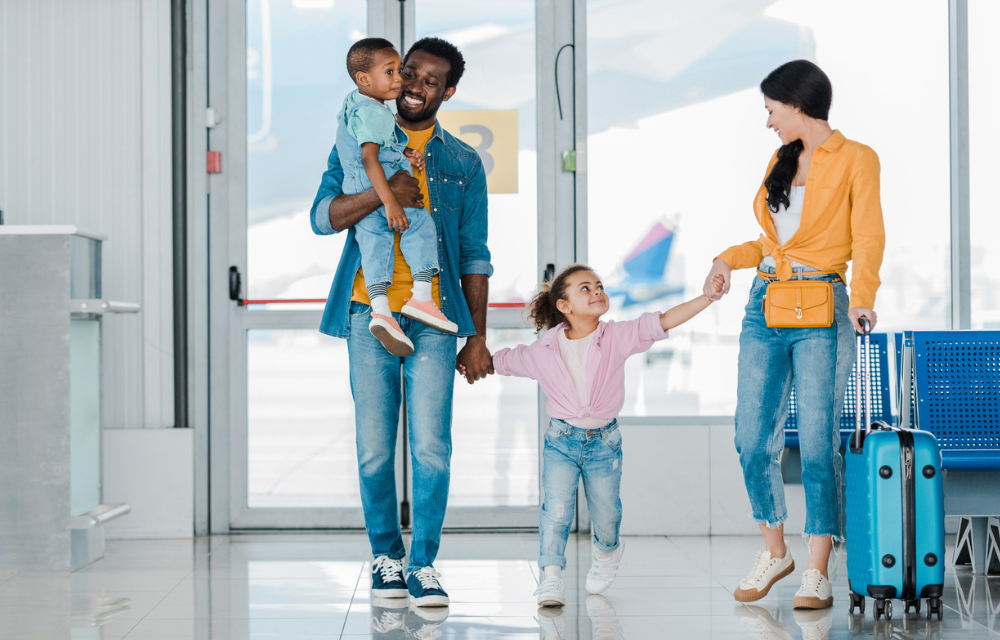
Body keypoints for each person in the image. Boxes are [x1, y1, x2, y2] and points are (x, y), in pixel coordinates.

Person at [310, 37, 494, 608]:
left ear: (449, 91)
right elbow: (323, 217)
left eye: (430, 80)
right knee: (374, 448)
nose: (414, 85)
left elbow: (474, 254)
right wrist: (383, 194)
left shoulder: (463, 163)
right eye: (409, 72)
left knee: (432, 448)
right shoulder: (359, 133)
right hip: (371, 313)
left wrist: (478, 336)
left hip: (434, 320)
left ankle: (424, 564)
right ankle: (386, 558)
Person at [703, 59, 885, 609]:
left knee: (816, 440)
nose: (768, 122)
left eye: (771, 110)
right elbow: (769, 242)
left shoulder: (857, 158)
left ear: (798, 104)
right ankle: (775, 549)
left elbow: (869, 235)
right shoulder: (779, 160)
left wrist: (863, 300)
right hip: (766, 305)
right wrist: (725, 259)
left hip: (825, 308)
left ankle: (817, 567)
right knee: (750, 437)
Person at [483, 264, 724, 607]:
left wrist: (707, 298)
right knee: (556, 510)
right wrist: (471, 358)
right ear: (564, 306)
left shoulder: (617, 336)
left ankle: (608, 552)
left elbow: (663, 321)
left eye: (599, 285)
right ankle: (551, 577)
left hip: (604, 444)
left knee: (607, 512)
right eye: (585, 288)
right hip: (561, 441)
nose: (597, 291)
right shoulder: (544, 349)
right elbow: (505, 360)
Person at [336, 37, 456, 356]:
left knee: (375, 246)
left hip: (358, 191)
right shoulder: (376, 112)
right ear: (364, 79)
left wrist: (405, 153)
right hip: (381, 189)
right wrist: (390, 200)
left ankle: (381, 311)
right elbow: (370, 157)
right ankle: (421, 296)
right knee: (419, 225)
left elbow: (370, 143)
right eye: (393, 72)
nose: (401, 81)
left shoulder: (356, 104)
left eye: (397, 70)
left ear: (448, 92)